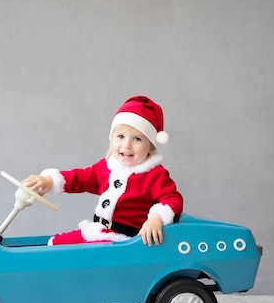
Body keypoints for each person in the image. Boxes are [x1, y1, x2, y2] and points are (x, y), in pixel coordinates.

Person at [22, 96, 183, 246]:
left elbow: (172, 199)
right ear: (111, 138)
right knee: (54, 243)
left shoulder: (154, 174)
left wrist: (156, 218)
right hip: (99, 231)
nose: (126, 145)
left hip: (124, 241)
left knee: (61, 251)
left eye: (137, 139)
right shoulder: (107, 167)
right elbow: (80, 178)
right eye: (120, 136)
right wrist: (50, 180)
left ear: (150, 147)